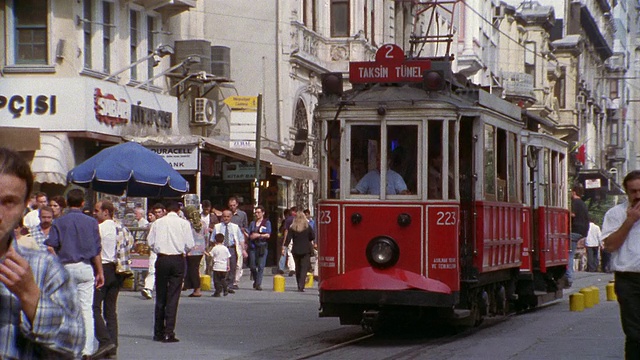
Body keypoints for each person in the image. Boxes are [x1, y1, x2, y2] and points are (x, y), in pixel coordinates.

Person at [0, 147, 85, 359]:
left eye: (8, 202)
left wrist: (30, 295)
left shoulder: (45, 270)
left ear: (24, 205)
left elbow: (73, 344)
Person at [45, 188, 104, 358]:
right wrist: (100, 272)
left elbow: (50, 246)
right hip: (85, 266)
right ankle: (87, 348)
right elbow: (96, 250)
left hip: (66, 266)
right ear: (83, 203)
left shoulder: (59, 222)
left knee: (65, 309)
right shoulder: (91, 222)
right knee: (86, 309)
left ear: (67, 203)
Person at [602, 170, 640, 359]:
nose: (638, 196)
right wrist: (630, 221)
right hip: (629, 279)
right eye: (633, 191)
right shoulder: (615, 214)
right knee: (635, 333)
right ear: (626, 192)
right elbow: (609, 246)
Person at [146, 201, 194, 343]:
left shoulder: (157, 223)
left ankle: (158, 331)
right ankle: (169, 332)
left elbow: (150, 242)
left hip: (162, 258)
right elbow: (189, 245)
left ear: (166, 210)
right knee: (173, 296)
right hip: (177, 259)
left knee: (161, 295)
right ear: (178, 211)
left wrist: (159, 249)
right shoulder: (184, 224)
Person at [92, 200, 132, 359]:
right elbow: (130, 242)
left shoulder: (98, 228)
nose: (94, 214)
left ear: (106, 212)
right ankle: (113, 346)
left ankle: (105, 340)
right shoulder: (121, 227)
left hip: (102, 268)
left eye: (97, 211)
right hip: (117, 270)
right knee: (111, 310)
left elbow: (94, 248)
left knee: (94, 307)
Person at [211, 210, 244, 294]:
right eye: (224, 216)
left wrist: (243, 250)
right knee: (220, 268)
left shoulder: (235, 227)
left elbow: (241, 239)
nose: (226, 218)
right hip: (221, 249)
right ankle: (221, 286)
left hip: (231, 248)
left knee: (232, 266)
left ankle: (229, 285)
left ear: (231, 217)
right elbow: (212, 239)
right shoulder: (217, 226)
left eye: (228, 216)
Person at [284, 211, 316, 292]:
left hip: (296, 250)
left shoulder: (292, 227)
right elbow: (312, 236)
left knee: (297, 267)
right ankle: (301, 285)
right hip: (305, 250)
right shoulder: (307, 227)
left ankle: (299, 284)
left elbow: (288, 238)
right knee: (304, 268)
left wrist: (284, 247)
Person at [141, 203, 166, 300]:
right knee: (152, 270)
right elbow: (150, 239)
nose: (158, 214)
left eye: (159, 212)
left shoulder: (167, 223)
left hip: (167, 250)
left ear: (164, 211)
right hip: (156, 250)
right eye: (156, 212)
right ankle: (148, 288)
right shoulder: (154, 224)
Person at [567, 184, 589, 287]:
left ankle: (569, 277)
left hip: (574, 230)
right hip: (581, 231)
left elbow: (572, 214)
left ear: (574, 192)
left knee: (568, 254)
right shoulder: (583, 204)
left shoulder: (574, 202)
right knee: (571, 252)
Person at [183, 206, 206, 297]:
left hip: (190, 249)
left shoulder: (187, 224)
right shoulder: (203, 223)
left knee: (192, 269)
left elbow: (185, 237)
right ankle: (193, 287)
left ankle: (197, 289)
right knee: (195, 268)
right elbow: (206, 235)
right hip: (200, 249)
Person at [248, 205, 272, 291]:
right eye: (256, 213)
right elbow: (249, 234)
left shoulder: (266, 223)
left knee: (261, 266)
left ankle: (258, 284)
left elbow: (268, 235)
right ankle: (256, 279)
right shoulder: (252, 223)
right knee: (252, 266)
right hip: (253, 246)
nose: (257, 214)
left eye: (258, 212)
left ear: (263, 213)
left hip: (262, 245)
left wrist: (258, 235)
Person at [228, 196, 249, 289]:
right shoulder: (227, 214)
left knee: (238, 262)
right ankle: (229, 280)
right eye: (230, 205)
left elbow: (246, 227)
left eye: (233, 205)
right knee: (229, 261)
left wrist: (245, 242)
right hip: (229, 239)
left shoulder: (242, 214)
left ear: (237, 205)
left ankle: (236, 281)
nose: (232, 207)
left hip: (239, 239)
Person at [281, 207, 298, 277]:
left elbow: (286, 231)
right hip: (300, 238)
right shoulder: (301, 219)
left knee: (290, 253)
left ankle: (292, 269)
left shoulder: (288, 219)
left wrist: (284, 242)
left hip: (291, 238)